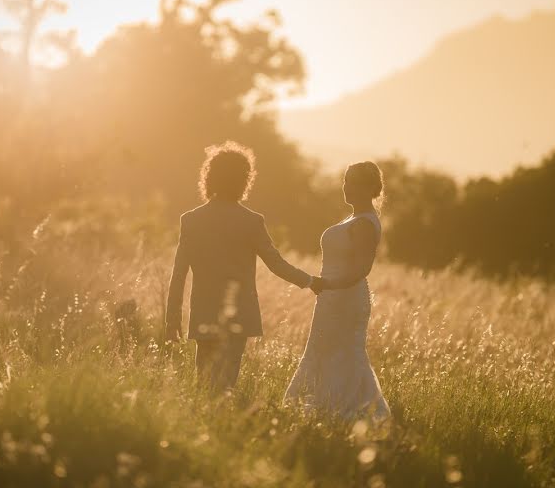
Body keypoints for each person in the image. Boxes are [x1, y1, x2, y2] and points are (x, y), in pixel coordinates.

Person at [165, 142, 320, 394]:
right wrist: (311, 281)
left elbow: (178, 274)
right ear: (244, 180)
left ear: (209, 177)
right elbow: (276, 264)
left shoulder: (191, 220)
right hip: (239, 314)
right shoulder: (252, 221)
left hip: (203, 312)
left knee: (203, 385)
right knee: (226, 385)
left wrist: (171, 319)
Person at [284, 161, 390, 422]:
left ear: (368, 188)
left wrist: (327, 284)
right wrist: (325, 288)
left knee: (344, 353)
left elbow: (362, 269)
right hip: (330, 297)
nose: (346, 186)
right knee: (323, 350)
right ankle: (322, 409)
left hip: (346, 298)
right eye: (345, 180)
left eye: (353, 182)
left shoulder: (365, 223)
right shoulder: (352, 218)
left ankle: (344, 412)